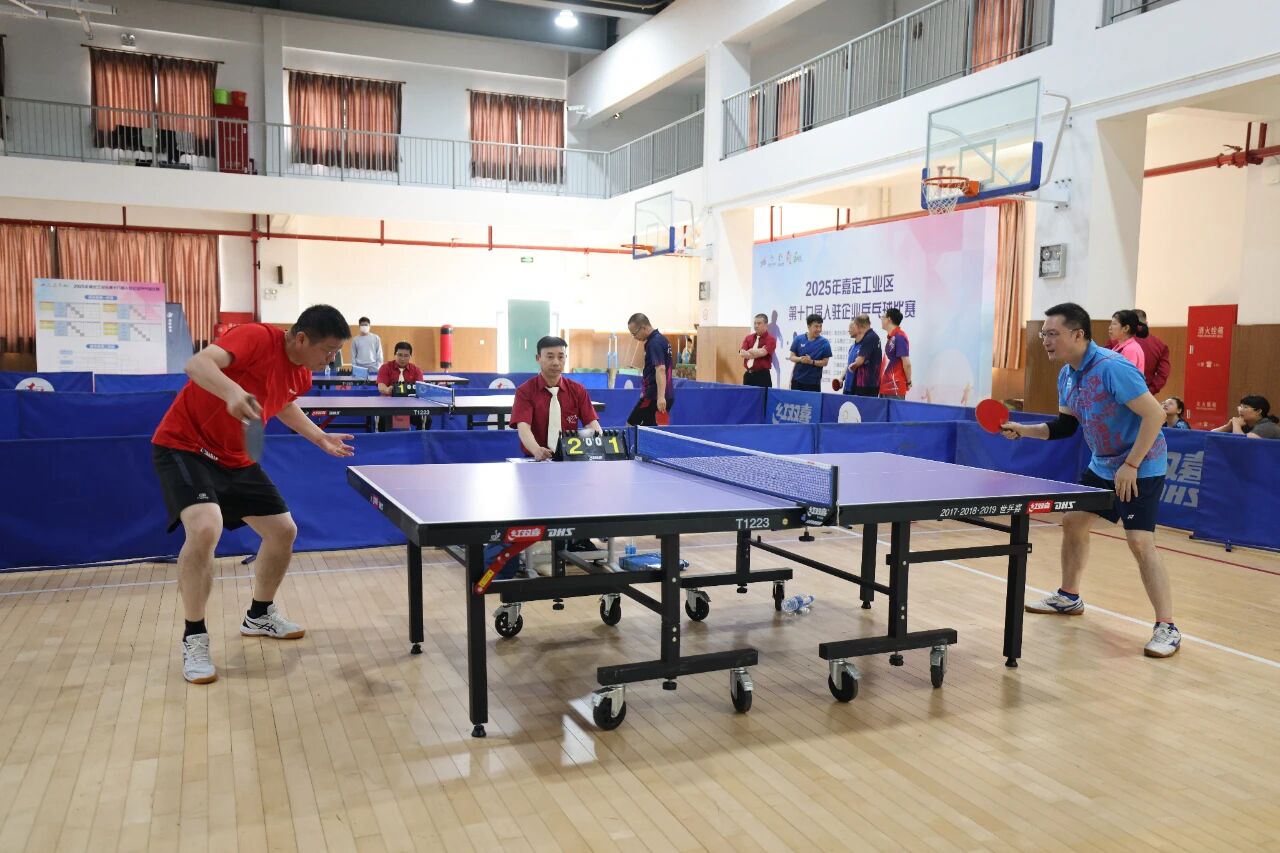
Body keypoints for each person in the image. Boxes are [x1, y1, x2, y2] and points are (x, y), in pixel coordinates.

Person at [152, 304, 355, 684]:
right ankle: (194, 637)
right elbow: (197, 364)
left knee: (283, 531)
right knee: (205, 528)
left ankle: (259, 615)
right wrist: (232, 391)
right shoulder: (257, 337)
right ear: (301, 338)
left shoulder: (302, 375)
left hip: (236, 457)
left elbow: (284, 403)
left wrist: (319, 437)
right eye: (328, 350)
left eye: (336, 352)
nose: (331, 360)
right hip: (186, 446)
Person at [999, 302, 1178, 658]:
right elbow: (1065, 427)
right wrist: (1023, 429)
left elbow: (1155, 415)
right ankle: (1069, 596)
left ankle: (1167, 626)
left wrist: (1131, 464)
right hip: (1103, 464)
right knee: (1074, 521)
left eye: (1053, 334)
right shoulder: (1067, 374)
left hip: (1141, 465)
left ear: (1078, 334)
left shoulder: (1113, 368)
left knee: (1140, 542)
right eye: (1044, 334)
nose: (1045, 340)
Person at [511, 336, 603, 460]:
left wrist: (601, 444)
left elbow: (591, 423)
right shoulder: (525, 391)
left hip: (570, 458)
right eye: (550, 357)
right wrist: (537, 450)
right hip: (535, 458)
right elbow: (523, 428)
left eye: (561, 357)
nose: (556, 362)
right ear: (538, 358)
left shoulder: (577, 390)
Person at [626, 313, 675, 426]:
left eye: (634, 333)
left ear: (643, 327)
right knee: (649, 430)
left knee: (630, 426)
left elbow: (660, 369)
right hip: (664, 394)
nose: (634, 337)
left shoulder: (654, 343)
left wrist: (661, 397)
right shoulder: (662, 339)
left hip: (654, 396)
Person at [376, 341, 427, 430]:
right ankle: (383, 438)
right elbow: (381, 386)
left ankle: (419, 438)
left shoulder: (416, 370)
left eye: (406, 356)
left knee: (427, 420)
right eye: (400, 355)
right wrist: (387, 390)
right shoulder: (385, 367)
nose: (402, 358)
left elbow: (421, 389)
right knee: (382, 420)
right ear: (395, 354)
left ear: (410, 356)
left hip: (410, 407)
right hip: (389, 406)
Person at [787, 314, 831, 392]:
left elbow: (825, 362)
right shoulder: (798, 339)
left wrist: (811, 362)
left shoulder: (824, 342)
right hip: (797, 380)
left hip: (814, 383)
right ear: (809, 326)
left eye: (820, 326)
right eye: (816, 326)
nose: (819, 329)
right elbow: (792, 357)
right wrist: (801, 359)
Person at [845, 314, 882, 397]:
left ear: (859, 326)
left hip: (867, 384)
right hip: (867, 383)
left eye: (854, 325)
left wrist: (853, 366)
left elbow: (859, 361)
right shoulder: (873, 336)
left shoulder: (869, 338)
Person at [1134, 310, 1170, 395]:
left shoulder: (1117, 341)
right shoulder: (1160, 345)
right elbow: (1163, 374)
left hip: (1117, 394)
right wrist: (1150, 391)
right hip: (1145, 394)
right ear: (1146, 323)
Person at [878, 307, 911, 399]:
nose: (881, 319)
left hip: (895, 388)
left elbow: (907, 364)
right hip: (885, 386)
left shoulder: (899, 336)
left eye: (883, 317)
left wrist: (908, 381)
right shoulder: (891, 337)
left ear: (889, 319)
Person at [1212, 395, 1280, 439]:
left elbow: (1244, 443)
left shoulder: (1267, 427)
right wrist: (1228, 427)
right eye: (1240, 407)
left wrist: (1236, 425)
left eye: (1245, 407)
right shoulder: (1244, 424)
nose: (1240, 410)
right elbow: (1211, 435)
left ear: (1258, 411)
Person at [739, 313, 777, 388]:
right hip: (748, 375)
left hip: (762, 376)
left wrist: (749, 351)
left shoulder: (771, 339)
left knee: (762, 396)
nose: (756, 326)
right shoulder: (748, 338)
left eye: (759, 323)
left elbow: (762, 353)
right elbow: (742, 353)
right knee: (747, 395)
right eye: (755, 323)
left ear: (766, 325)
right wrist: (756, 351)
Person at [1107, 310, 1146, 375]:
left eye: (1114, 324)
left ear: (1126, 328)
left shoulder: (1131, 349)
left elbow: (1124, 376)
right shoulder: (1119, 346)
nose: (1110, 328)